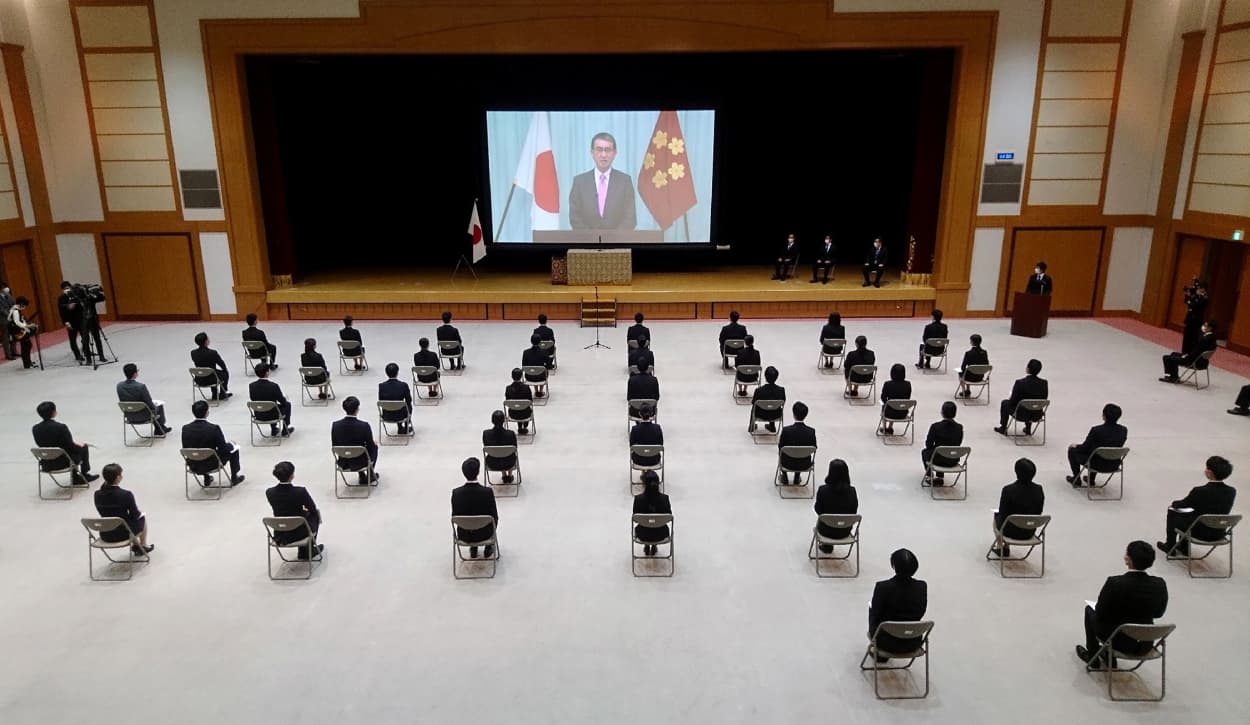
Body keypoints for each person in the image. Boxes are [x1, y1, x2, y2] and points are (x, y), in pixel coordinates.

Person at [1076, 541, 1168, 667]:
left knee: (1089, 611)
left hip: (1118, 641)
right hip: (1146, 642)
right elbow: (1159, 613)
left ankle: (1093, 658)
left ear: (1128, 560)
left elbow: (1101, 613)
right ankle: (1107, 656)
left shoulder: (1115, 583)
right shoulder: (1160, 584)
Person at [1157, 455, 1236, 556]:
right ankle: (1183, 547)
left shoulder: (1200, 491)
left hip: (1198, 532)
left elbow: (1183, 504)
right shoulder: (1232, 491)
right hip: (1219, 533)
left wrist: (1174, 503)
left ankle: (1170, 546)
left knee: (1173, 511)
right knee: (1191, 515)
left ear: (1210, 472)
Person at [568, 131, 637, 231]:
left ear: (614, 153)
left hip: (617, 243)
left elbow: (630, 218)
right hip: (587, 243)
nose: (603, 155)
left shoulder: (625, 181)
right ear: (592, 153)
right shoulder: (579, 182)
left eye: (608, 150)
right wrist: (592, 238)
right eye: (599, 150)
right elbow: (575, 217)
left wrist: (613, 239)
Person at [868, 549, 927, 660]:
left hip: (886, 643)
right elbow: (921, 611)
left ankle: (880, 653)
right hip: (913, 642)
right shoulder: (922, 587)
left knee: (872, 607)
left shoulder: (883, 587)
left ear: (894, 566)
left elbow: (876, 613)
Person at [266, 461, 323, 560]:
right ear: (292, 475)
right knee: (315, 514)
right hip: (299, 531)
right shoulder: (300, 492)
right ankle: (308, 550)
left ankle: (304, 551)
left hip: (280, 532)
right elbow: (312, 509)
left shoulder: (269, 492)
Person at [94, 463, 153, 556]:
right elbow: (135, 514)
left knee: (125, 521)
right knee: (141, 517)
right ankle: (143, 545)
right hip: (124, 534)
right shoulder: (125, 494)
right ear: (118, 477)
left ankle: (137, 546)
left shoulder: (97, 494)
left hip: (105, 533)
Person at [32, 400, 97, 485]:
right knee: (83, 447)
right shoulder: (61, 427)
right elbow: (70, 447)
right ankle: (84, 474)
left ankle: (77, 476)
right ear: (53, 412)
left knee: (68, 450)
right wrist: (80, 446)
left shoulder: (35, 428)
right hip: (64, 462)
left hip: (47, 463)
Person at [181, 400, 244, 485]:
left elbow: (186, 447)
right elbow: (223, 449)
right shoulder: (213, 429)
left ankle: (206, 477)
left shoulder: (185, 429)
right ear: (207, 412)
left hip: (194, 464)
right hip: (212, 463)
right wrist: (232, 446)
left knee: (198, 451)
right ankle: (234, 477)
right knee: (234, 449)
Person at [992, 458, 1045, 557]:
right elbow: (1039, 511)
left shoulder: (1008, 490)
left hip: (1010, 532)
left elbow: (1003, 514)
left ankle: (1002, 547)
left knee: (996, 517)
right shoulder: (1039, 489)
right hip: (1029, 530)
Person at [1066, 403, 1128, 487]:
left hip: (1096, 464)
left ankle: (1077, 479)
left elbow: (1084, 448)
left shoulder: (1096, 430)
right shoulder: (1123, 430)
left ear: (1104, 416)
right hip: (1114, 464)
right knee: (1096, 450)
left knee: (1073, 450)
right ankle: (1091, 480)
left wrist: (1076, 446)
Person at [452, 457, 498, 559]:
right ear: (478, 472)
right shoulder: (487, 493)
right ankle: (488, 546)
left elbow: (454, 517)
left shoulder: (456, 493)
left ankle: (473, 548)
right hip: (485, 534)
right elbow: (495, 517)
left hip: (464, 535)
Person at [332, 396, 379, 486]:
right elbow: (371, 446)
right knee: (374, 446)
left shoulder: (335, 425)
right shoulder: (364, 426)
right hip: (361, 462)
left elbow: (335, 444)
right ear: (357, 409)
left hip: (344, 461)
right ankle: (370, 474)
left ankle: (362, 475)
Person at [814, 459, 858, 552]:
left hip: (825, 530)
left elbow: (818, 510)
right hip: (845, 531)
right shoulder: (852, 491)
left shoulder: (823, 490)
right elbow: (853, 511)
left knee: (825, 519)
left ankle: (827, 545)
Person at [116, 363, 172, 435]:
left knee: (151, 407)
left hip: (129, 415)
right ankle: (160, 428)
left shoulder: (119, 386)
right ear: (135, 374)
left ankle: (160, 428)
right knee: (158, 406)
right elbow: (150, 404)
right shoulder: (141, 387)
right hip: (143, 415)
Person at [995, 358, 1048, 435]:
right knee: (1031, 404)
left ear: (1028, 369)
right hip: (1037, 414)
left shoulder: (1020, 383)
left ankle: (1003, 427)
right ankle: (1028, 428)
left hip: (1021, 414)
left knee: (1005, 403)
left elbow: (1013, 401)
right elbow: (1044, 398)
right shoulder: (1044, 383)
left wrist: (1011, 397)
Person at [921, 401, 963, 485]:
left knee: (925, 452)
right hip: (952, 460)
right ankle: (940, 477)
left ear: (942, 413)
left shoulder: (935, 427)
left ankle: (930, 476)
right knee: (944, 450)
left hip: (938, 460)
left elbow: (928, 444)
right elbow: (958, 442)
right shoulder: (959, 428)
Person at [248, 363, 293, 436]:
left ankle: (274, 429)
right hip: (273, 415)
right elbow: (282, 401)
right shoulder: (273, 386)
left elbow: (252, 398)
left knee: (269, 405)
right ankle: (285, 428)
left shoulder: (251, 386)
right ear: (267, 373)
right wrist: (285, 399)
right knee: (287, 404)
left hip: (259, 414)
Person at [632, 470, 671, 555]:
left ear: (644, 484)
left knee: (646, 524)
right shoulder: (665, 499)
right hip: (661, 534)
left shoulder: (638, 499)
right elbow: (668, 517)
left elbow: (635, 519)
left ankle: (647, 544)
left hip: (643, 534)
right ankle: (654, 545)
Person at [778, 401, 816, 485]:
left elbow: (780, 447)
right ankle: (797, 477)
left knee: (782, 450)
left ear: (793, 414)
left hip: (787, 463)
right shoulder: (811, 432)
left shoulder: (786, 431)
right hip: (805, 464)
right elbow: (814, 448)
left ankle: (784, 476)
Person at [191, 332, 232, 400]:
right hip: (211, 378)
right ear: (206, 341)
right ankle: (222, 393)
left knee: (212, 371)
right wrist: (225, 370)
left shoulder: (193, 353)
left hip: (199, 378)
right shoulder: (212, 353)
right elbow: (221, 364)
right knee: (224, 373)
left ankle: (215, 393)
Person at [482, 410, 518, 484]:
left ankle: (504, 474)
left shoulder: (486, 434)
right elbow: (515, 449)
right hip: (509, 463)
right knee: (509, 452)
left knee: (498, 451)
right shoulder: (510, 434)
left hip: (492, 463)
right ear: (504, 420)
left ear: (492, 421)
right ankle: (509, 475)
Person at [378, 362, 413, 435]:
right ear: (397, 372)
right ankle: (406, 426)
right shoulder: (403, 385)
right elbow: (409, 400)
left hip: (387, 415)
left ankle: (400, 428)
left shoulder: (382, 386)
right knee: (408, 405)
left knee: (394, 403)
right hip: (401, 415)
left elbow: (381, 401)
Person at [877, 363, 912, 435]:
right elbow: (907, 398)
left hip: (889, 413)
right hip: (903, 413)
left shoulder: (887, 384)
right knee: (895, 403)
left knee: (884, 403)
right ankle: (890, 427)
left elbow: (883, 398)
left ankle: (885, 426)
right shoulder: (908, 384)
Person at [750, 365, 786, 433]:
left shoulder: (759, 390)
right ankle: (772, 426)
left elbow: (753, 403)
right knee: (773, 405)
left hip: (760, 414)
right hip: (776, 415)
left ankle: (751, 427)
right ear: (776, 377)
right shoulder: (781, 390)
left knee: (754, 407)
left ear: (765, 377)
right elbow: (783, 402)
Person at [57, 281, 85, 363]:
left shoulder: (76, 295)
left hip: (80, 320)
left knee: (85, 337)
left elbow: (81, 308)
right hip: (70, 321)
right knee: (73, 340)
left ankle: (86, 352)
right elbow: (61, 311)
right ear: (62, 290)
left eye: (68, 288)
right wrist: (65, 322)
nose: (67, 290)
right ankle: (77, 355)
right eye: (65, 289)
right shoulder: (61, 298)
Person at [1180, 278, 1209, 356]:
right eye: (1199, 288)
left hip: (1196, 320)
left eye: (1200, 288)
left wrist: (1191, 298)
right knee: (1186, 336)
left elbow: (1194, 305)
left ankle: (1191, 353)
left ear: (1204, 289)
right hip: (1190, 318)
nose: (1198, 289)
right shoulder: (1198, 296)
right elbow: (1187, 302)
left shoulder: (1204, 298)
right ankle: (1184, 352)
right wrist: (1187, 295)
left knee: (1193, 337)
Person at [955, 334, 989, 398]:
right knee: (969, 370)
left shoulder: (968, 353)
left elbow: (963, 367)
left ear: (972, 342)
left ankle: (965, 390)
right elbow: (987, 364)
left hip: (969, 377)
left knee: (961, 372)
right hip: (980, 376)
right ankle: (967, 390)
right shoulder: (984, 352)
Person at [6, 295, 35, 368]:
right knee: (26, 346)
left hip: (21, 330)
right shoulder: (15, 311)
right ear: (21, 304)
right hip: (19, 332)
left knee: (27, 346)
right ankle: (27, 363)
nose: (24, 307)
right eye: (24, 305)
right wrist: (28, 326)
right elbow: (17, 323)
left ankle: (28, 362)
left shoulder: (14, 309)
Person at [504, 367, 533, 434]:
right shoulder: (526, 388)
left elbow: (508, 401)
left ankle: (520, 426)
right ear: (521, 376)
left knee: (516, 406)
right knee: (525, 406)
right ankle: (525, 426)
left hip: (513, 414)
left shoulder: (508, 388)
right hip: (526, 414)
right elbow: (530, 401)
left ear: (511, 376)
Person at [0, 282, 15, 359]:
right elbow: (1, 309)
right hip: (3, 320)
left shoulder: (8, 295)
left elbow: (13, 303)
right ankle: (8, 355)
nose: (5, 288)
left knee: (13, 335)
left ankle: (14, 352)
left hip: (12, 318)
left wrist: (14, 312)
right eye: (4, 287)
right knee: (6, 337)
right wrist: (9, 314)